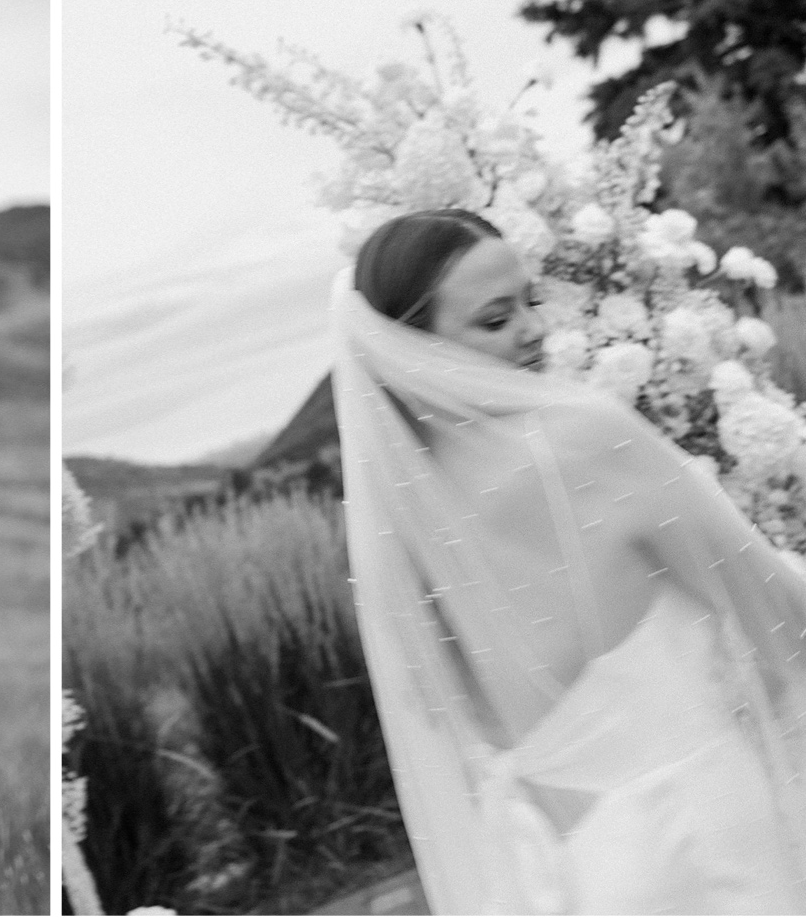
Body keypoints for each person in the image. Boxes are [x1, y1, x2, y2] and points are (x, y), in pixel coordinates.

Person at [332, 208, 806, 914]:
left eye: (531, 301)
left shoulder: (393, 526)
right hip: (710, 835)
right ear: (412, 351)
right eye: (496, 320)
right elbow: (775, 608)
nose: (534, 328)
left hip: (579, 876)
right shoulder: (583, 438)